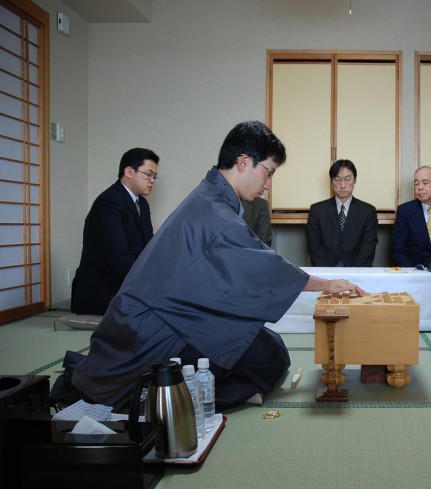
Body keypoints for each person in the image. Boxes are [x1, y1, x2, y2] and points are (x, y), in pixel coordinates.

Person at [71, 121, 365, 411]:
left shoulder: (212, 195)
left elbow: (248, 256)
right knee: (269, 357)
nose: (268, 184)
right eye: (268, 172)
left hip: (175, 314)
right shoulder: (214, 211)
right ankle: (167, 399)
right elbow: (261, 264)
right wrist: (324, 284)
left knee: (269, 345)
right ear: (243, 162)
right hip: (154, 329)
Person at [70, 147, 159, 315]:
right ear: (129, 172)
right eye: (148, 174)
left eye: (155, 176)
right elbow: (118, 255)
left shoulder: (142, 203)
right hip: (103, 288)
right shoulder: (109, 202)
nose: (152, 180)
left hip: (126, 282)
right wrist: (147, 284)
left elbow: (149, 245)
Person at [306, 159, 378, 267]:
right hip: (325, 276)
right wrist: (329, 276)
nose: (343, 185)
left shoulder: (368, 212)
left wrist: (353, 275)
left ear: (355, 180)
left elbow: (368, 250)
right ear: (331, 181)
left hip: (358, 274)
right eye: (337, 179)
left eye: (347, 179)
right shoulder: (317, 211)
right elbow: (314, 248)